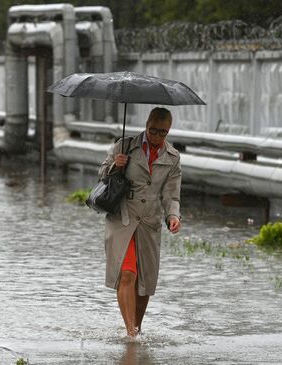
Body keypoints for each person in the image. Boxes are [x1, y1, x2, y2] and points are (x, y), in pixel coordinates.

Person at [97, 107, 182, 338]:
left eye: (162, 132)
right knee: (127, 274)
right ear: (146, 124)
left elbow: (171, 194)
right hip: (123, 217)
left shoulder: (172, 157)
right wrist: (117, 165)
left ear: (168, 130)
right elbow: (102, 174)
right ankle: (130, 335)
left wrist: (173, 216)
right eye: (153, 130)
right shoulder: (124, 146)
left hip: (149, 221)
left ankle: (136, 327)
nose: (156, 136)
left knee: (145, 282)